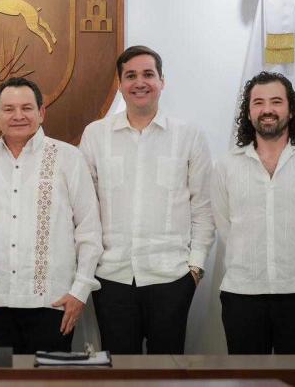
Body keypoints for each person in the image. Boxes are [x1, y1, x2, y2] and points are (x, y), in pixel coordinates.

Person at [0, 77, 102, 354]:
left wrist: (80, 292)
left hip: (53, 304)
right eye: (8, 109)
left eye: (27, 108)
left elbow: (89, 230)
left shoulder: (68, 158)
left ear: (41, 112)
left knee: (49, 377)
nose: (18, 116)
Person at [79, 45, 215, 354]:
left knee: (167, 370)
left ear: (162, 81)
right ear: (120, 84)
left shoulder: (189, 136)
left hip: (172, 277)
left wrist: (195, 268)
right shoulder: (95, 135)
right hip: (111, 277)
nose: (140, 82)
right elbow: (85, 210)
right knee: (119, 370)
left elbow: (203, 208)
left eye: (148, 74)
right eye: (131, 76)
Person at [212, 71, 295, 354]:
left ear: (291, 110)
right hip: (242, 294)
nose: (267, 109)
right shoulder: (226, 165)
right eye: (258, 102)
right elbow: (225, 226)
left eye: (276, 101)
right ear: (248, 112)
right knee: (246, 376)